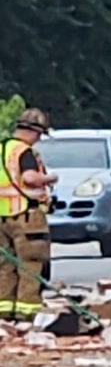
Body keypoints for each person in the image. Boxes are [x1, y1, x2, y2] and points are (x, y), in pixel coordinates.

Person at [0, 109, 56, 321]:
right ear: (34, 132)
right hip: (26, 217)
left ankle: (4, 312)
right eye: (39, 135)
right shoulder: (24, 152)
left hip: (2, 217)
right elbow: (30, 178)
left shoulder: (2, 149)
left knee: (5, 266)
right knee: (31, 265)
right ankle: (27, 314)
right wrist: (50, 178)